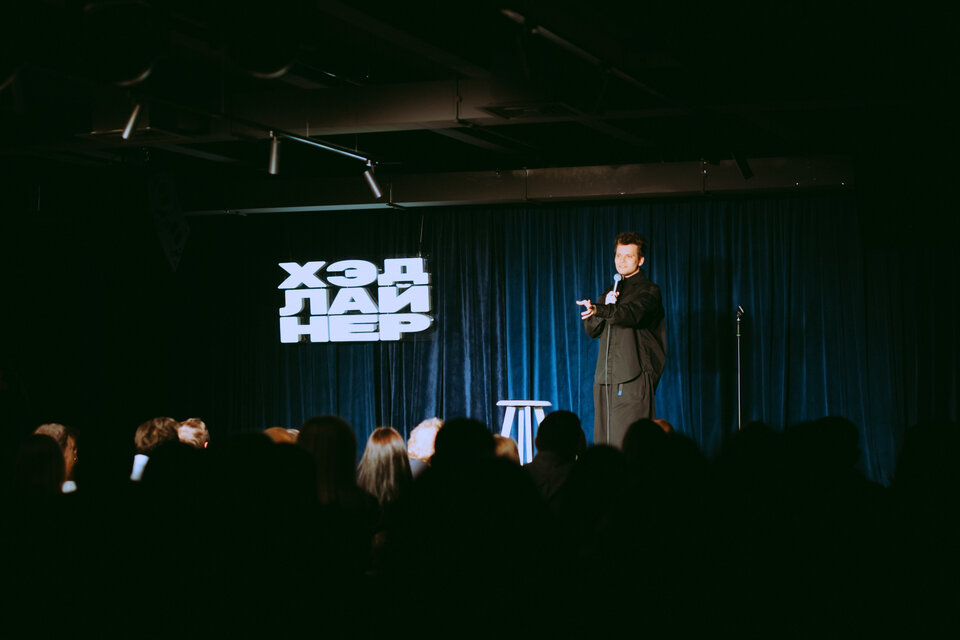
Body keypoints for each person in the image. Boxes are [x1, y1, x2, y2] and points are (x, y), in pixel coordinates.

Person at [576, 232, 666, 448]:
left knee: (630, 445)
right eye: (618, 255)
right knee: (604, 444)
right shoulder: (611, 291)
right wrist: (600, 309)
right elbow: (592, 330)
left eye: (628, 256)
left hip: (632, 378)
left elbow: (633, 314)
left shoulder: (649, 291)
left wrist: (603, 309)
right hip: (605, 379)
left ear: (640, 260)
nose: (622, 261)